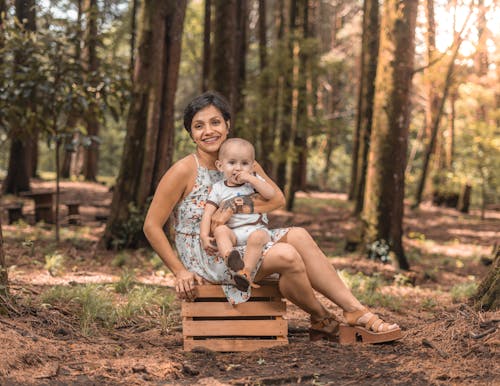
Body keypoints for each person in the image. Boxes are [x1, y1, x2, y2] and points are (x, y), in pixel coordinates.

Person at [143, 91, 402, 343]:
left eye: (215, 122)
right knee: (288, 256)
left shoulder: (242, 161)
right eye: (198, 126)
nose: (208, 131)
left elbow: (277, 199)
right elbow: (152, 226)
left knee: (298, 235)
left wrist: (234, 205)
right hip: (209, 253)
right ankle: (323, 317)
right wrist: (179, 271)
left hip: (245, 240)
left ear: (227, 125)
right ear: (191, 133)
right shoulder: (184, 170)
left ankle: (351, 310)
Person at [200, 138, 275, 291]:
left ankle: (245, 273)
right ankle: (230, 257)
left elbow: (270, 194)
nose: (238, 168)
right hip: (233, 233)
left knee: (258, 237)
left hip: (256, 229)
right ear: (220, 166)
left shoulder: (253, 182)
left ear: (253, 166)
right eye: (232, 163)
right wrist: (203, 235)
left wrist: (251, 178)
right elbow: (207, 213)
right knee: (220, 230)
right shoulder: (218, 188)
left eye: (245, 164)